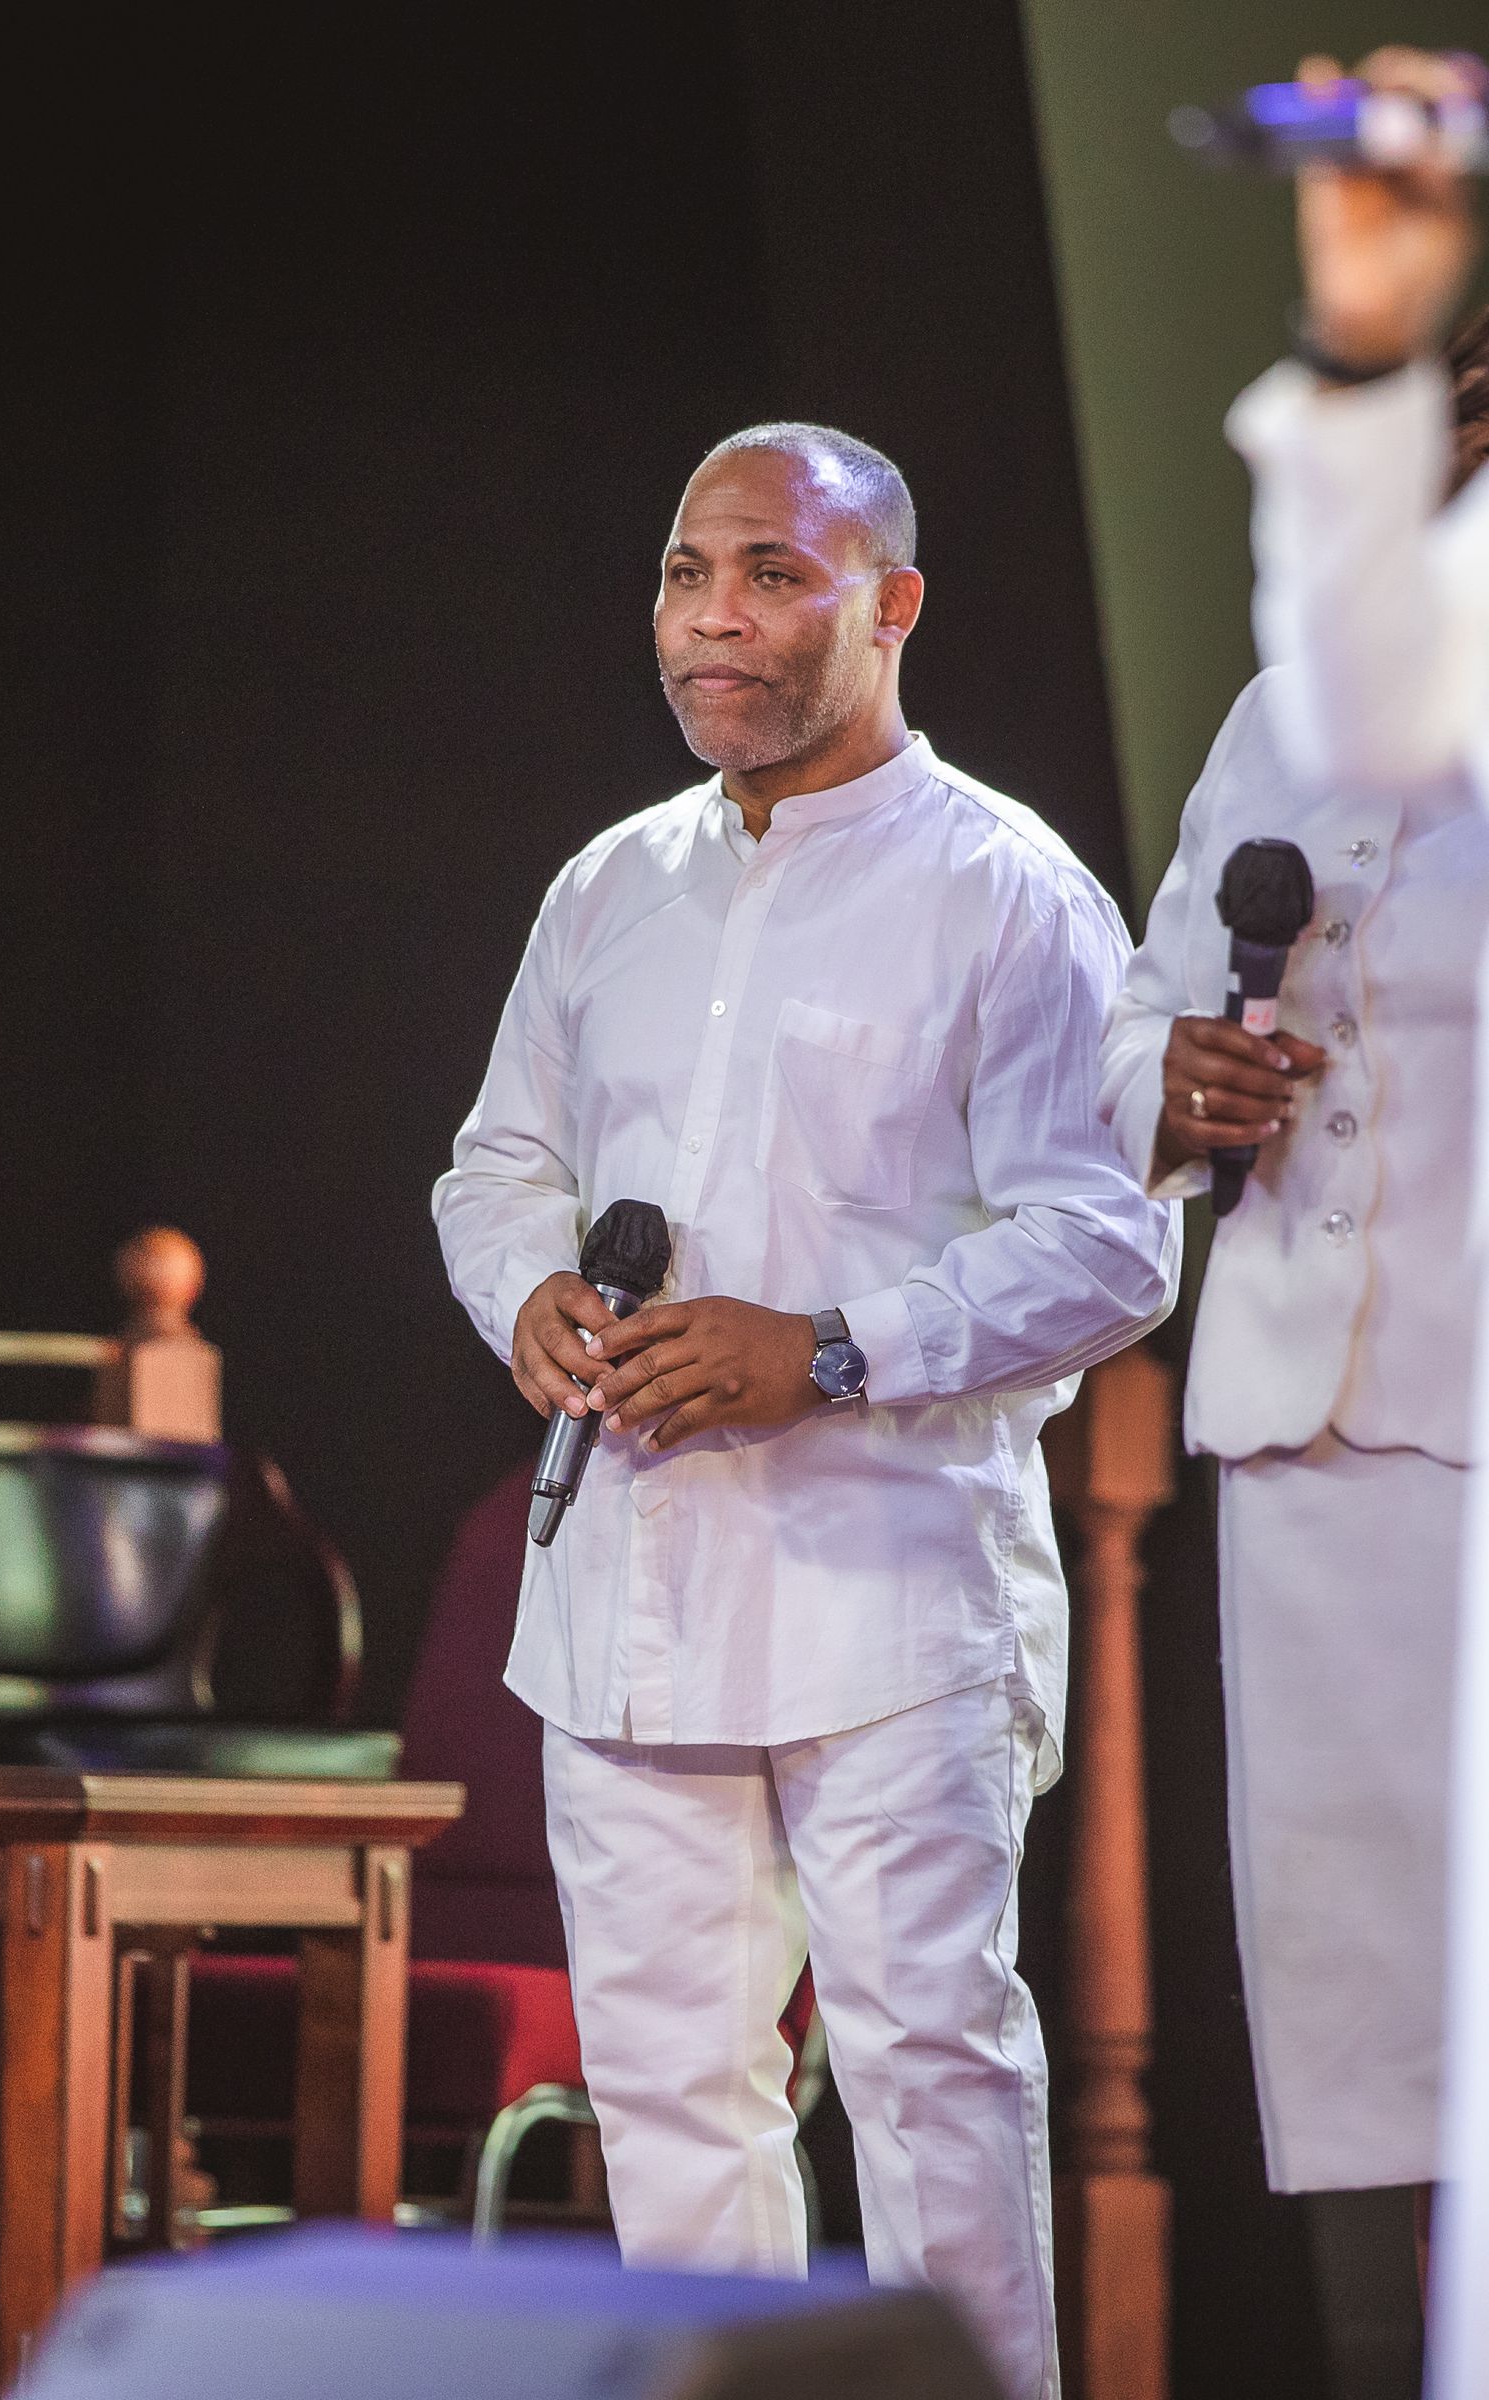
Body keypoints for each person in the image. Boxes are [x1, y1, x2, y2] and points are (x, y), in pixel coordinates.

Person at [434, 421, 1179, 2400]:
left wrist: (828, 1347)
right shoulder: (609, 889)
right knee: (675, 2103)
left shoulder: (1007, 891)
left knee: (929, 2085)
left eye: (771, 573)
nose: (713, 621)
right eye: (687, 574)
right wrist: (529, 1293)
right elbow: (495, 1159)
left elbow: (1108, 1248)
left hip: (887, 1591)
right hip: (635, 1582)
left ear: (892, 603)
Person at [1097, 44, 1489, 2341]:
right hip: (1312, 1416)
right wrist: (1187, 1086)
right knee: (1345, 1996)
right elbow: (1145, 1017)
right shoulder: (1290, 709)